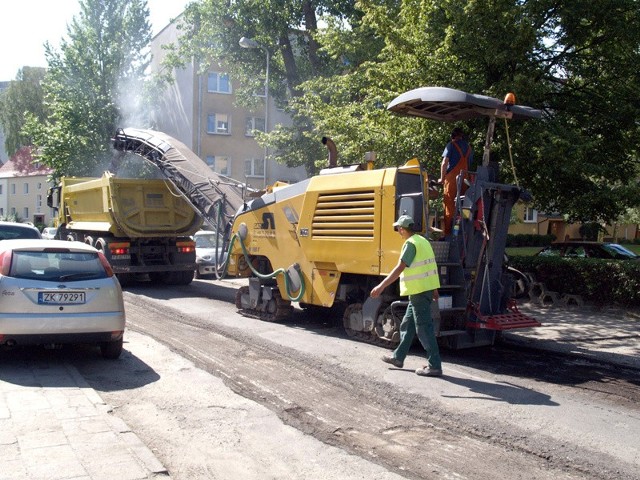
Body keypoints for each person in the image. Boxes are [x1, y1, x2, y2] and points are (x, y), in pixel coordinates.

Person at [370, 215, 443, 377]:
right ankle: (398, 357)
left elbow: (400, 267)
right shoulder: (423, 241)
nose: (398, 232)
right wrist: (434, 289)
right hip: (424, 290)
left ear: (402, 229)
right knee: (408, 324)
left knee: (424, 328)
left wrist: (381, 286)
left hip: (419, 291)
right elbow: (431, 266)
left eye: (398, 229)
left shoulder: (410, 244)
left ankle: (434, 365)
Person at [438, 127, 473, 236]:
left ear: (452, 136)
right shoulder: (469, 148)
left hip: (452, 180)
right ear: (462, 136)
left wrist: (442, 178)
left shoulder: (451, 145)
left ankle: (448, 233)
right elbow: (469, 164)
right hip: (465, 180)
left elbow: (444, 163)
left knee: (449, 206)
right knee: (464, 206)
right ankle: (461, 232)